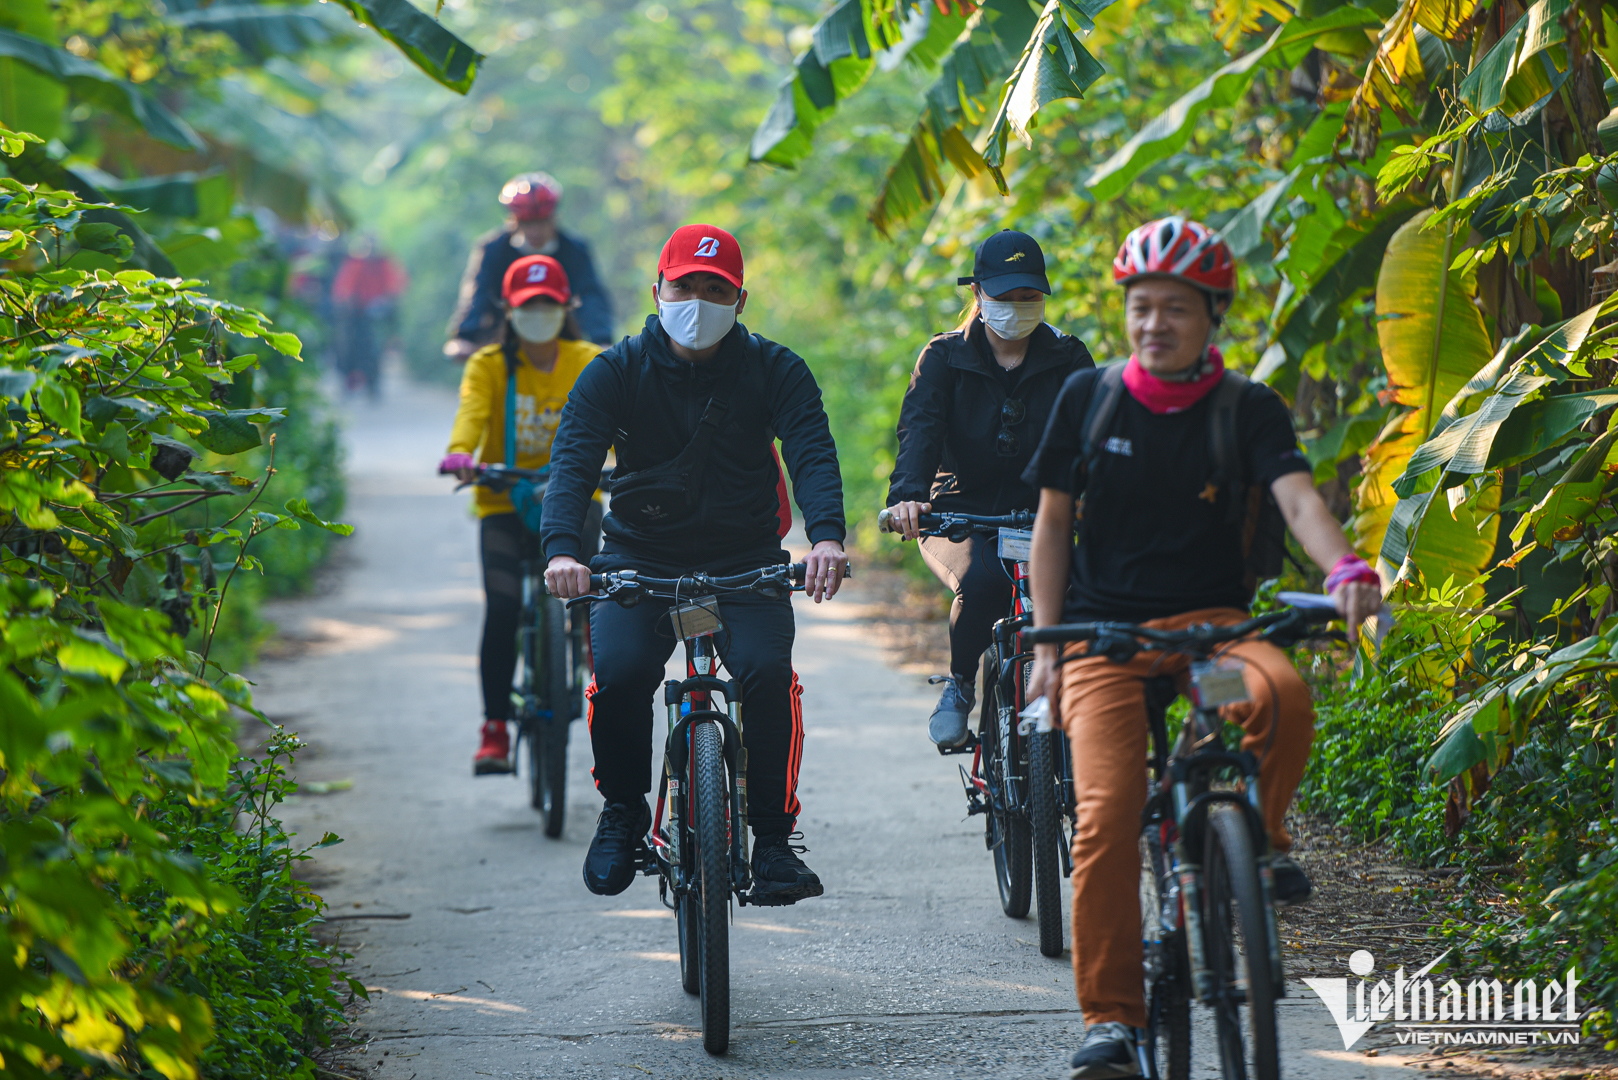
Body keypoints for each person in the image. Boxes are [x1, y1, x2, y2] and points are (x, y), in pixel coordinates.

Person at [1019, 217, 1383, 1079]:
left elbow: (1298, 501)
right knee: (1106, 819)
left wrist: (1347, 572)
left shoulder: (1246, 408)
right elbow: (1054, 523)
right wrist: (1044, 644)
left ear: (1211, 314)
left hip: (1213, 637)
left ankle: (1263, 839)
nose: (1155, 323)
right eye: (1141, 307)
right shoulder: (1090, 398)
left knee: (1281, 693)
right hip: (1105, 640)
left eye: (1175, 308)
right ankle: (1111, 1018)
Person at [541, 224, 848, 904]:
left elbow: (812, 454)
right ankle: (622, 812)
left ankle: (772, 840)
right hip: (637, 561)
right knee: (618, 677)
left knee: (769, 676)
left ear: (740, 300)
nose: (699, 302)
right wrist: (564, 550)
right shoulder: (615, 371)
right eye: (685, 287)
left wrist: (826, 536)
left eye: (717, 290)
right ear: (658, 291)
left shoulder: (776, 369)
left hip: (745, 560)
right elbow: (572, 465)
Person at [884, 229, 1094, 748]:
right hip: (959, 511)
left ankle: (1078, 708)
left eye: (1030, 297)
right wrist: (909, 496)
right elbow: (921, 430)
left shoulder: (1068, 357)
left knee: (1083, 594)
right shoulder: (944, 358)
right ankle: (960, 684)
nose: (1019, 308)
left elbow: (1094, 434)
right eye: (1006, 297)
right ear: (978, 294)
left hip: (1047, 509)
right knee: (984, 583)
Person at [438, 255, 604, 775]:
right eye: (528, 304)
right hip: (503, 500)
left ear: (565, 307)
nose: (538, 312)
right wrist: (462, 455)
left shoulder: (590, 360)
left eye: (548, 304)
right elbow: (471, 415)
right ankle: (494, 729)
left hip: (577, 499)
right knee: (504, 606)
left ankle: (606, 689)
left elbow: (620, 418)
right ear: (508, 310)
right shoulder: (489, 364)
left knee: (596, 600)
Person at [444, 172, 614, 357]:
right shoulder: (493, 249)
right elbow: (478, 293)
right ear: (513, 220)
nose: (535, 231)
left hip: (561, 340)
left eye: (542, 222)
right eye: (527, 223)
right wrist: (464, 336)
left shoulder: (574, 249)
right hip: (505, 340)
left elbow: (590, 295)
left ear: (555, 217)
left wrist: (601, 338)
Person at [331, 235, 408, 399]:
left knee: (376, 349)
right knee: (347, 346)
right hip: (356, 314)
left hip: (377, 316)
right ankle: (348, 383)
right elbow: (344, 288)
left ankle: (374, 385)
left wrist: (386, 301)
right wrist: (348, 302)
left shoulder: (385, 263)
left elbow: (396, 284)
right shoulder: (356, 262)